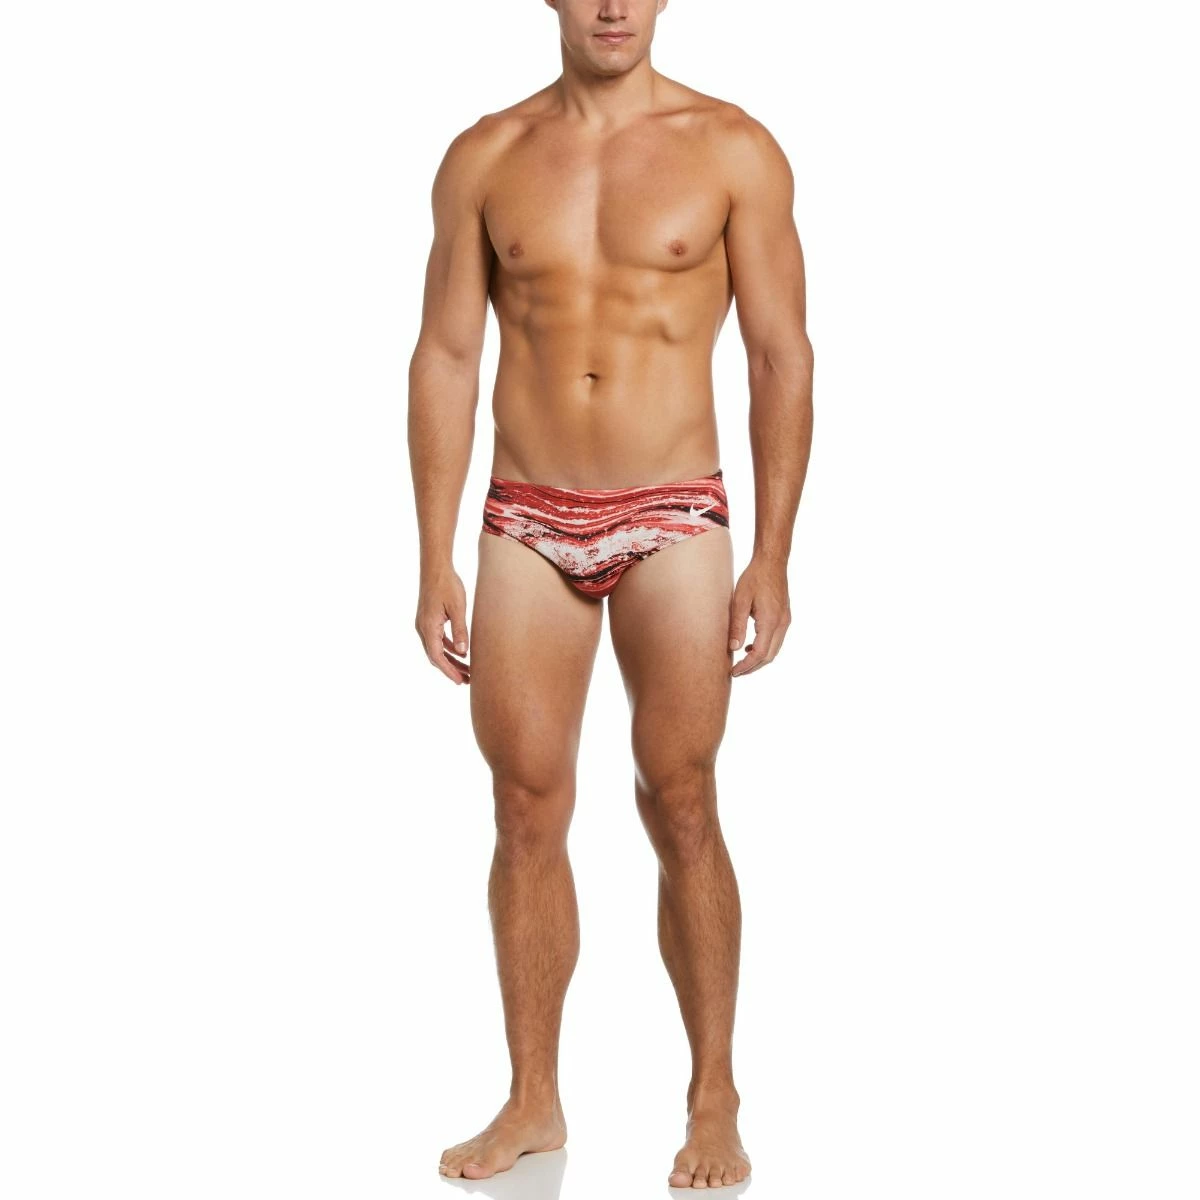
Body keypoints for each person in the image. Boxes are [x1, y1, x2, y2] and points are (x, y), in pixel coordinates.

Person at [408, 0, 813, 1189]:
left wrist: (774, 552)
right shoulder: (485, 155)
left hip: (673, 509)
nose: (613, 5)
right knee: (523, 807)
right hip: (526, 514)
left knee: (680, 797)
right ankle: (533, 1099)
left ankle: (714, 1097)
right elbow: (446, 354)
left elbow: (782, 354)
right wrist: (433, 553)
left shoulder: (732, 146)